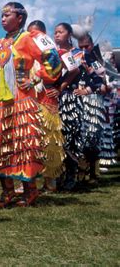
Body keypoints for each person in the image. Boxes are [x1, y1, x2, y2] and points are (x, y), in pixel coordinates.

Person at [0, 2, 61, 207]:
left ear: (20, 18)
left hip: (22, 101)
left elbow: (53, 60)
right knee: (0, 146)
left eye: (7, 15)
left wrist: (36, 78)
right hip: (0, 103)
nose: (2, 18)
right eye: (1, 15)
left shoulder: (30, 38)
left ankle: (31, 191)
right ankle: (8, 191)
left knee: (24, 146)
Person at [57, 27, 103, 190]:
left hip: (73, 101)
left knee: (72, 138)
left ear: (69, 35)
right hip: (56, 101)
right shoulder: (53, 53)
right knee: (57, 139)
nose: (56, 35)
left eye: (60, 32)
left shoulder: (82, 54)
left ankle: (72, 176)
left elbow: (100, 78)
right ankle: (58, 176)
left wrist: (86, 90)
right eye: (54, 32)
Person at [25, 20, 64, 192]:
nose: (31, 37)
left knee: (49, 141)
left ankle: (50, 182)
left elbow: (55, 68)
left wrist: (37, 77)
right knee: (26, 141)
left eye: (34, 33)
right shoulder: (25, 48)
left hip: (45, 100)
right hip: (29, 100)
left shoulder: (46, 46)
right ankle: (27, 181)